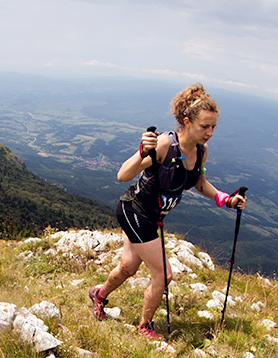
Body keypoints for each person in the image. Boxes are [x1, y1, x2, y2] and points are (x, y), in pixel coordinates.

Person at [89, 83, 246, 340]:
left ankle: (99, 294)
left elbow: (200, 183)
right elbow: (123, 175)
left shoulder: (200, 151)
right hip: (135, 211)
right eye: (204, 126)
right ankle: (145, 326)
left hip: (151, 216)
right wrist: (142, 152)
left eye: (213, 127)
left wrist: (226, 200)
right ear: (186, 121)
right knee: (164, 274)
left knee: (128, 267)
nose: (209, 132)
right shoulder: (164, 144)